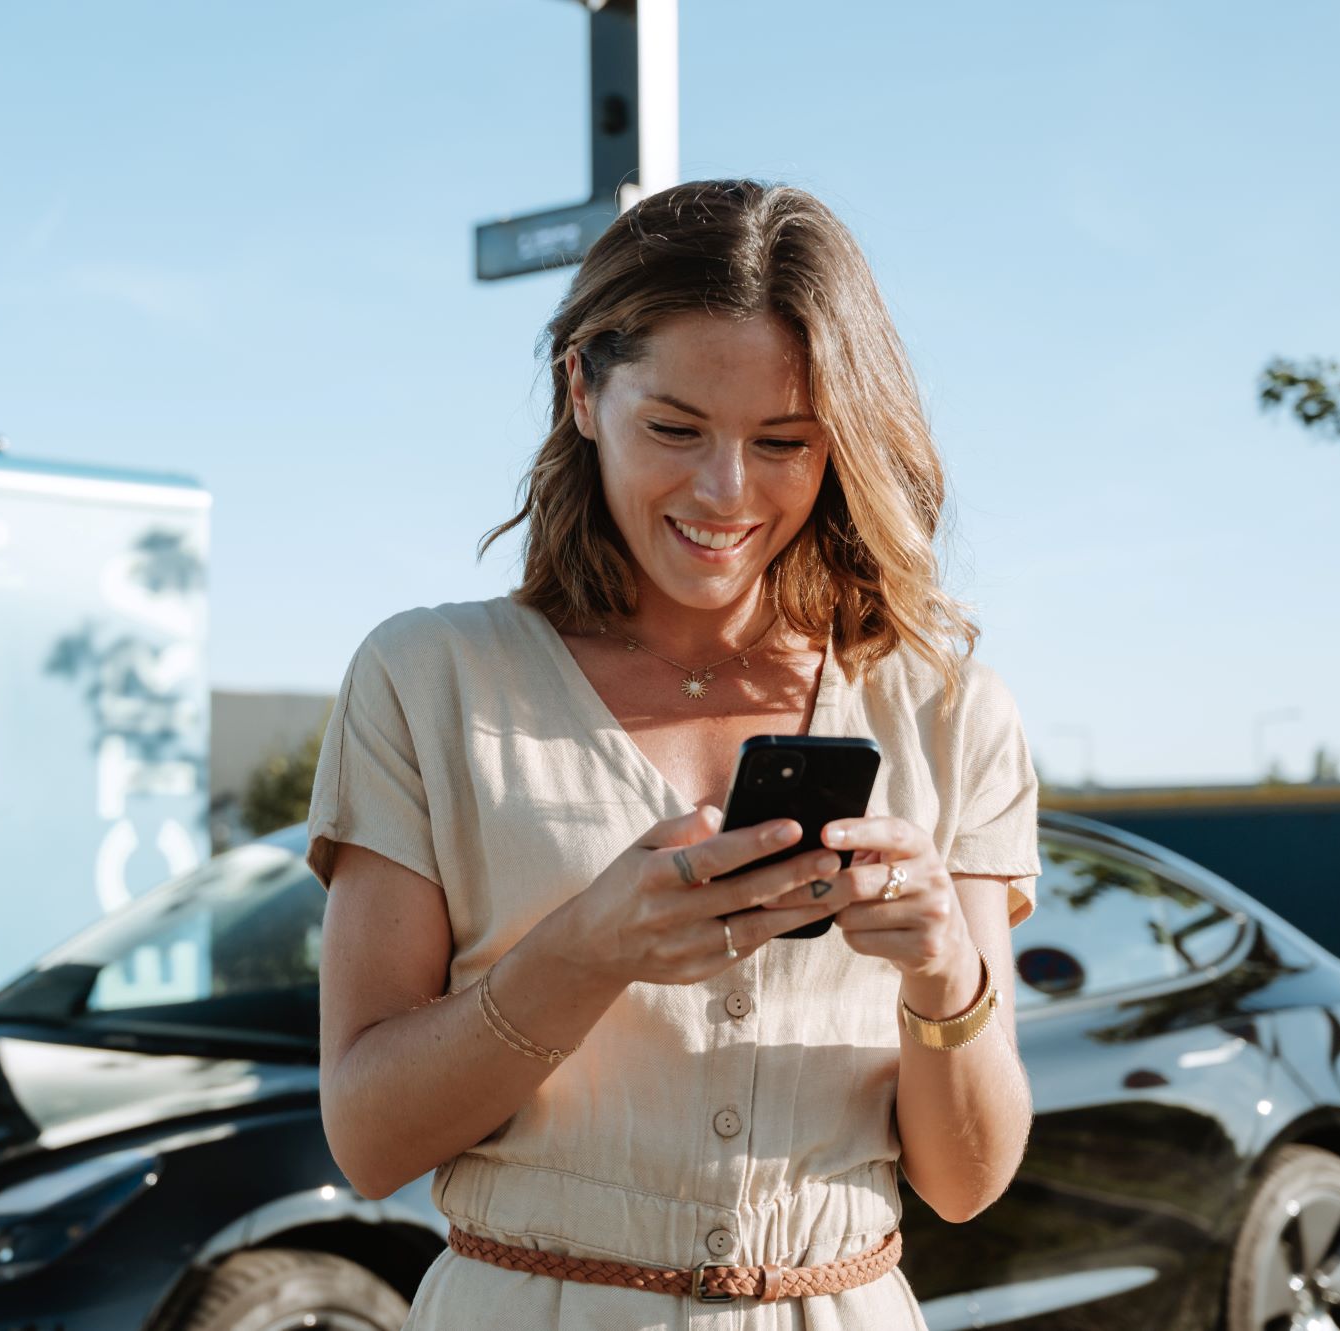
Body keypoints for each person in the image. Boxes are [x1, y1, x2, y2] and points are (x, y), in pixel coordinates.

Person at [305, 178, 1041, 1329]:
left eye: (782, 442)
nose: (723, 492)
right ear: (582, 390)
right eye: (675, 428)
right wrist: (584, 951)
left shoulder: (945, 710)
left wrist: (947, 982)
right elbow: (367, 1136)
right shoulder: (425, 677)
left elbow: (964, 1181)